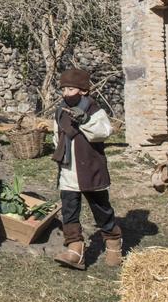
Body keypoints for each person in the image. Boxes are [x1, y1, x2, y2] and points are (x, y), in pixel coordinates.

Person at [51, 68, 122, 270]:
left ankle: (113, 242)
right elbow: (57, 135)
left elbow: (104, 132)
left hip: (90, 168)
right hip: (68, 169)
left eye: (71, 89)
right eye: (63, 89)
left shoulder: (93, 109)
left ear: (82, 90)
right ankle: (75, 249)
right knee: (69, 209)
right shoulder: (60, 110)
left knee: (101, 208)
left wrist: (85, 121)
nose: (66, 93)